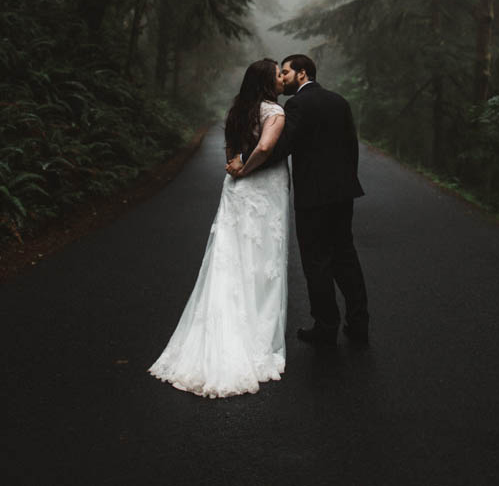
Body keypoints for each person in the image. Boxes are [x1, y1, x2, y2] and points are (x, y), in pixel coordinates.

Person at [148, 59, 289, 398]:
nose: (282, 79)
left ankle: (218, 332)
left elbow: (230, 153)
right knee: (263, 262)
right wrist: (248, 169)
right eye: (277, 76)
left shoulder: (237, 111)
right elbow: (267, 148)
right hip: (263, 188)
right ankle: (254, 338)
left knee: (230, 260)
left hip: (236, 193)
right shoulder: (275, 113)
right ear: (267, 82)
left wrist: (236, 167)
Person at [228, 53, 369, 346]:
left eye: (287, 72)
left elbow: (280, 147)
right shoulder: (339, 101)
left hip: (314, 197)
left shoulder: (298, 104)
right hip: (344, 193)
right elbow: (351, 147)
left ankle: (326, 327)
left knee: (317, 260)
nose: (283, 78)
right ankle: (358, 323)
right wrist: (346, 181)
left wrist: (243, 160)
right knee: (345, 256)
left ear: (302, 73)